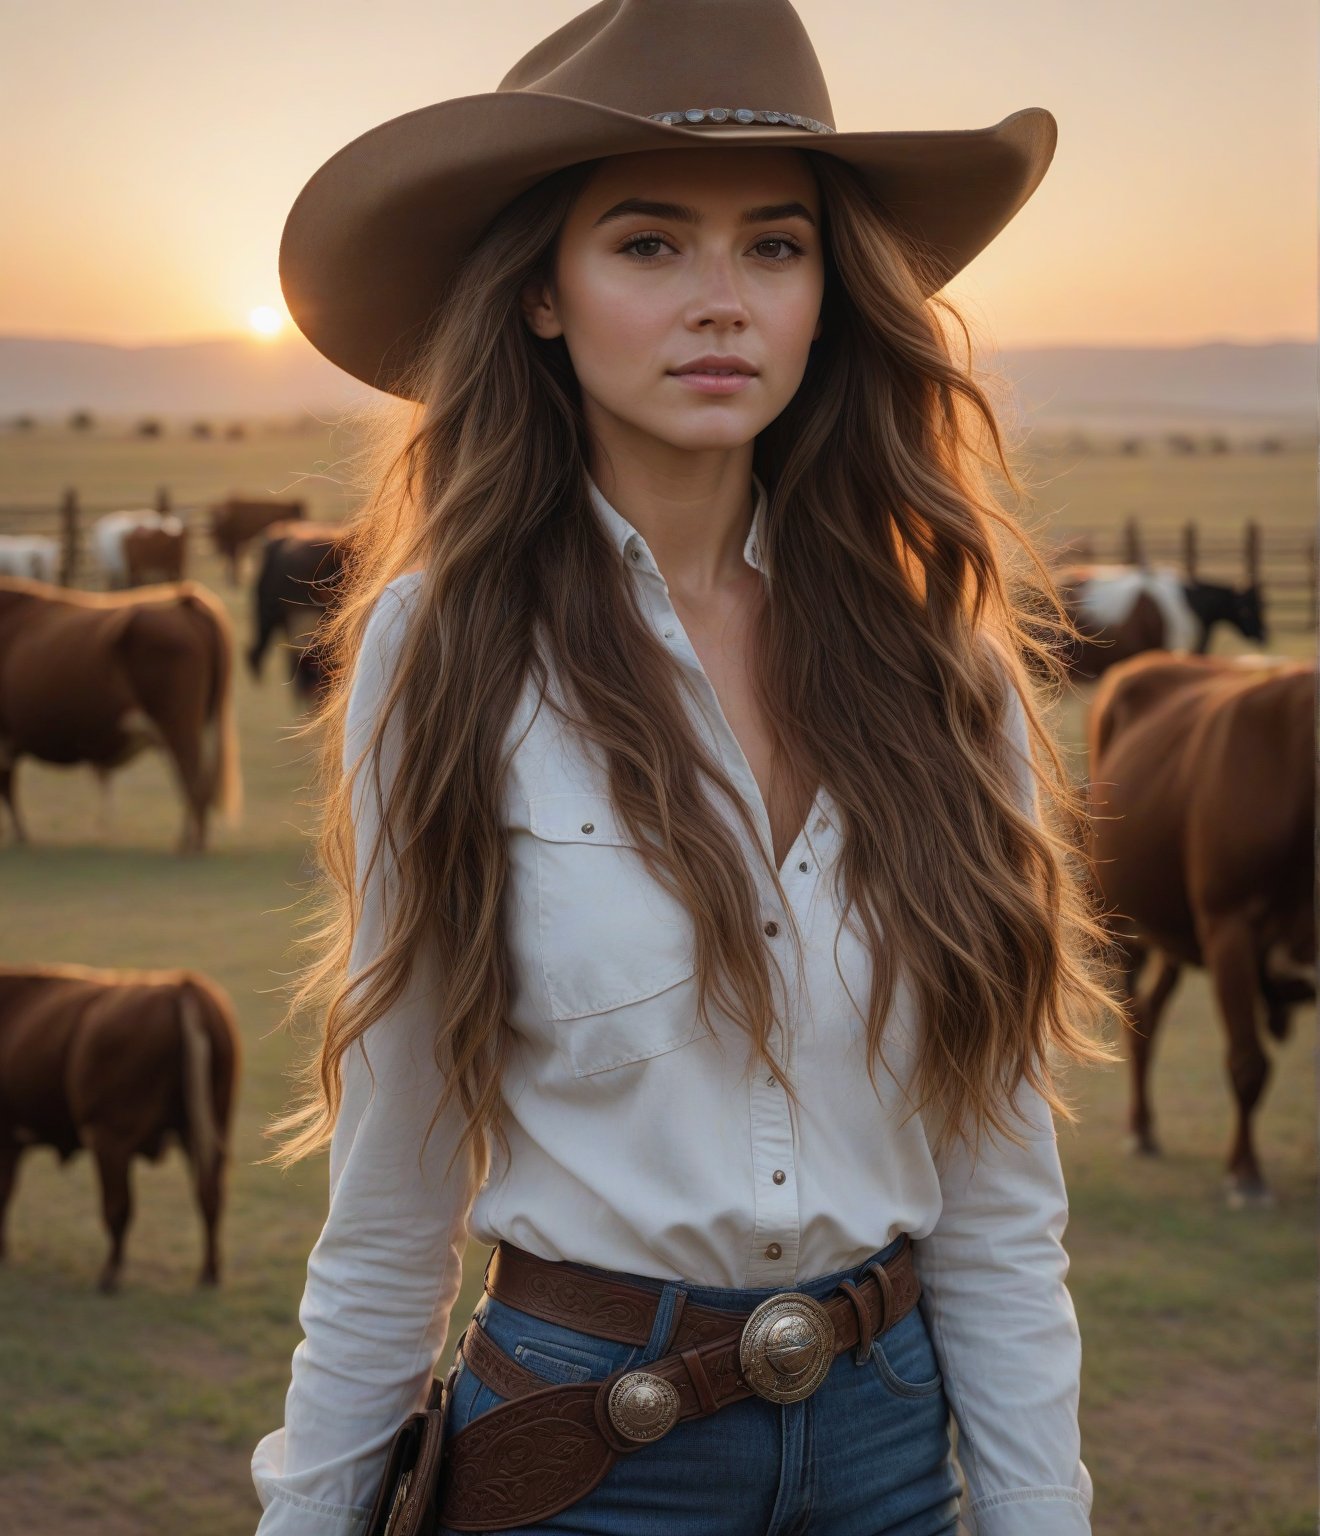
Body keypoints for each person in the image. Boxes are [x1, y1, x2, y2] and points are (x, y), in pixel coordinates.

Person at [251, 2, 1123, 1533]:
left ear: (827, 295)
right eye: (650, 245)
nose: (722, 301)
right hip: (584, 1456)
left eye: (775, 248)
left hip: (885, 1454)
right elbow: (396, 1185)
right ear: (540, 292)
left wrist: (1042, 1514)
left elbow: (995, 1188)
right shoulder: (442, 649)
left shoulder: (945, 670)